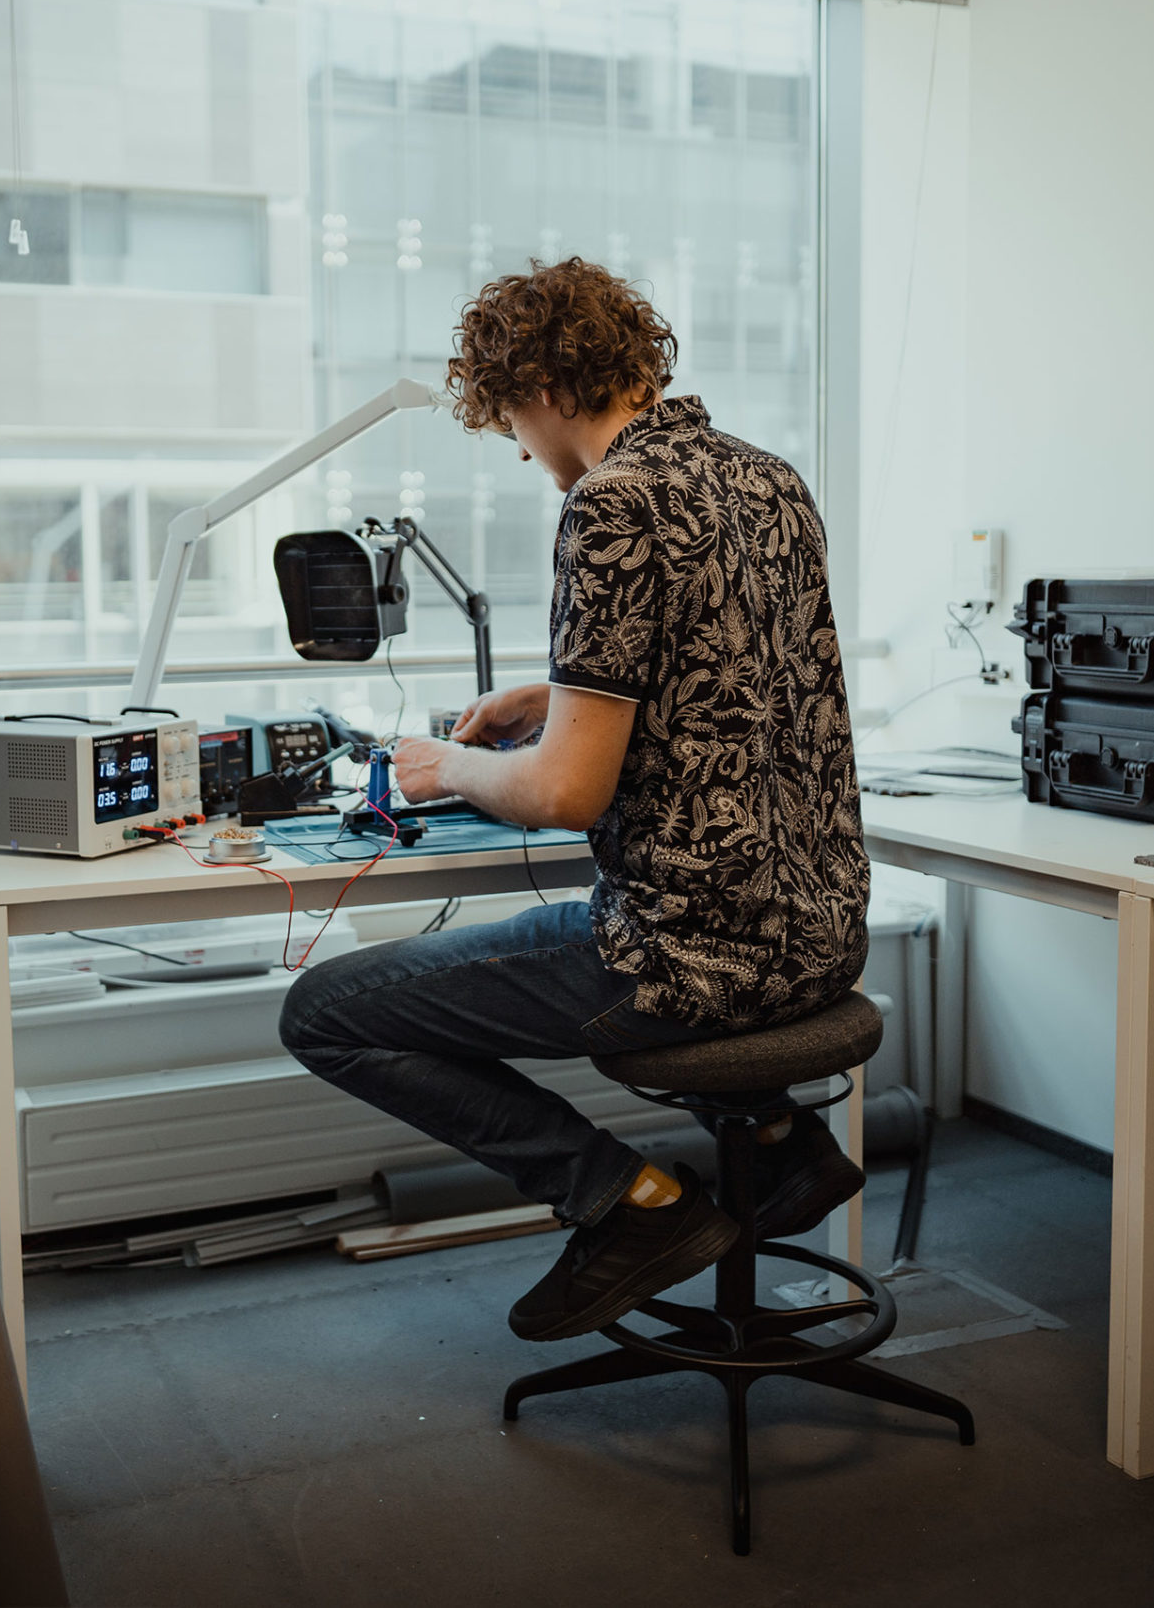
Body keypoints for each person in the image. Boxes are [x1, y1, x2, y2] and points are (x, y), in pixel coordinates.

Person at [278, 257, 871, 1342]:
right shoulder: (768, 477)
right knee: (580, 926)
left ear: (544, 387)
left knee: (322, 1013)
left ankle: (628, 1206)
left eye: (508, 415)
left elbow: (560, 791)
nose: (515, 446)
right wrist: (554, 693)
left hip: (685, 965)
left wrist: (441, 767)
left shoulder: (611, 503)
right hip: (822, 939)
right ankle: (786, 1149)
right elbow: (725, 674)